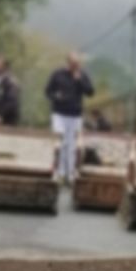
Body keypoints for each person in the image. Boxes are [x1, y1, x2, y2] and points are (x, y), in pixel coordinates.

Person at [45, 52, 94, 182]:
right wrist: (55, 97)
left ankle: (71, 172)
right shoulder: (58, 74)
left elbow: (90, 92)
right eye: (73, 64)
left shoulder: (82, 75)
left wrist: (79, 80)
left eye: (77, 64)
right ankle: (59, 171)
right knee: (60, 142)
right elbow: (48, 91)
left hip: (75, 114)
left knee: (71, 145)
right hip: (59, 113)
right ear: (68, 63)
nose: (75, 67)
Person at [0, 55, 22, 126]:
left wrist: (1, 115)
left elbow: (12, 101)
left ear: (4, 67)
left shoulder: (10, 81)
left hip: (7, 120)